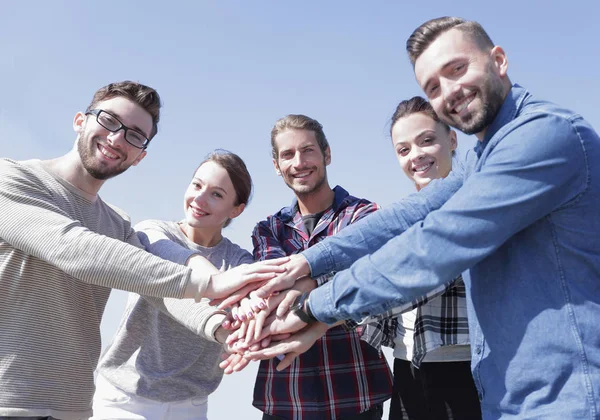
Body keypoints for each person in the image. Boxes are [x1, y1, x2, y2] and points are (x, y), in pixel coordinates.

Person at [245, 17, 600, 419]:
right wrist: (307, 262)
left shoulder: (543, 136)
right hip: (508, 396)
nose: (449, 91)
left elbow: (434, 245)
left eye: (457, 69)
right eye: (433, 86)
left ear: (498, 60)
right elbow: (406, 215)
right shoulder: (482, 158)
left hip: (570, 398)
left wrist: (314, 306)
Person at [0, 82, 285, 420]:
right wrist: (210, 283)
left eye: (134, 135)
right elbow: (72, 247)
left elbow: (162, 290)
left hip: (72, 408)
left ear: (140, 156)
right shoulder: (13, 178)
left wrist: (223, 331)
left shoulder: (117, 224)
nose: (117, 138)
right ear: (80, 120)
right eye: (109, 120)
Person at [92, 150, 258, 419]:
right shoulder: (153, 233)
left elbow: (251, 303)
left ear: (236, 210)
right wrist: (221, 284)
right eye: (197, 185)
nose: (199, 199)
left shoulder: (239, 262)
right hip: (124, 399)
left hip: (190, 406)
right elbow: (178, 260)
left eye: (217, 194)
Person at [248, 114, 392, 420]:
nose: (299, 162)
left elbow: (366, 281)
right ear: (277, 166)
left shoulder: (363, 215)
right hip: (285, 397)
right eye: (287, 154)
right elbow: (274, 291)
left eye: (307, 150)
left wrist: (307, 282)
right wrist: (331, 278)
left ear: (326, 154)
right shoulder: (268, 230)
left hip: (355, 393)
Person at [381, 96, 480, 419]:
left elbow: (420, 279)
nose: (416, 156)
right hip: (407, 368)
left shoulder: (476, 206)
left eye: (427, 141)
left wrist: (320, 311)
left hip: (465, 369)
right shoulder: (400, 220)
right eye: (404, 149)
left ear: (452, 139)